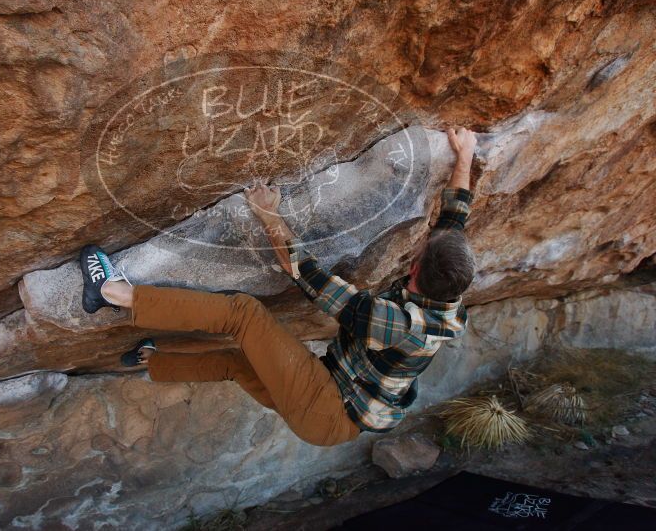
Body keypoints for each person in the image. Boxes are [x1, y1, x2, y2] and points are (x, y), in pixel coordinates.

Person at [79, 127, 477, 447]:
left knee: (244, 315)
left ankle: (115, 293)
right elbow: (453, 222)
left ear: (414, 272)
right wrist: (465, 157)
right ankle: (152, 359)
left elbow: (308, 275)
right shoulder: (447, 294)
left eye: (419, 253)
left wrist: (269, 215)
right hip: (331, 410)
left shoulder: (394, 323)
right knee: (239, 364)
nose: (420, 247)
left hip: (327, 408)